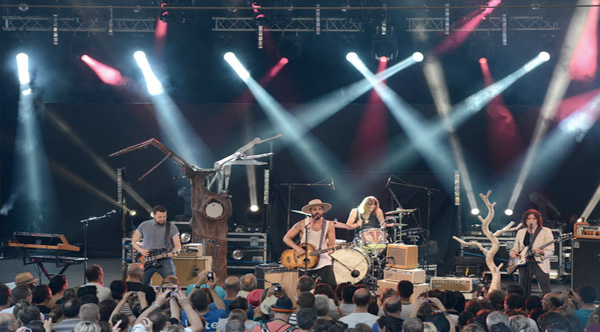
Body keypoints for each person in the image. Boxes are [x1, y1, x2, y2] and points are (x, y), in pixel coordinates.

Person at [283, 199, 337, 288]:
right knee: (303, 286)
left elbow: (332, 243)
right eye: (315, 209)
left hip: (322, 259)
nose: (317, 211)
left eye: (320, 209)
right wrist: (297, 248)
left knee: (331, 284)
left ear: (323, 211)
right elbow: (286, 238)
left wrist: (330, 250)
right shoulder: (302, 224)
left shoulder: (329, 224)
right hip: (304, 259)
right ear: (310, 211)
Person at [131, 205, 182, 285]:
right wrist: (141, 250)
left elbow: (178, 245)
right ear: (153, 215)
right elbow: (134, 241)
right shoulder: (144, 225)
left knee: (172, 283)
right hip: (146, 259)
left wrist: (175, 251)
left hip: (164, 259)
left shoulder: (171, 227)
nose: (162, 219)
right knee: (141, 284)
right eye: (160, 217)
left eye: (164, 216)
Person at [509, 209, 554, 297]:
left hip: (539, 263)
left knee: (545, 289)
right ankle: (524, 307)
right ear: (525, 220)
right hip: (524, 263)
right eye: (529, 218)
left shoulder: (546, 231)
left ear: (538, 220)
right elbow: (515, 247)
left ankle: (548, 306)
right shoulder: (521, 232)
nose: (531, 221)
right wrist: (512, 252)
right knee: (523, 288)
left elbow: (551, 250)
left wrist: (542, 252)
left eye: (534, 219)